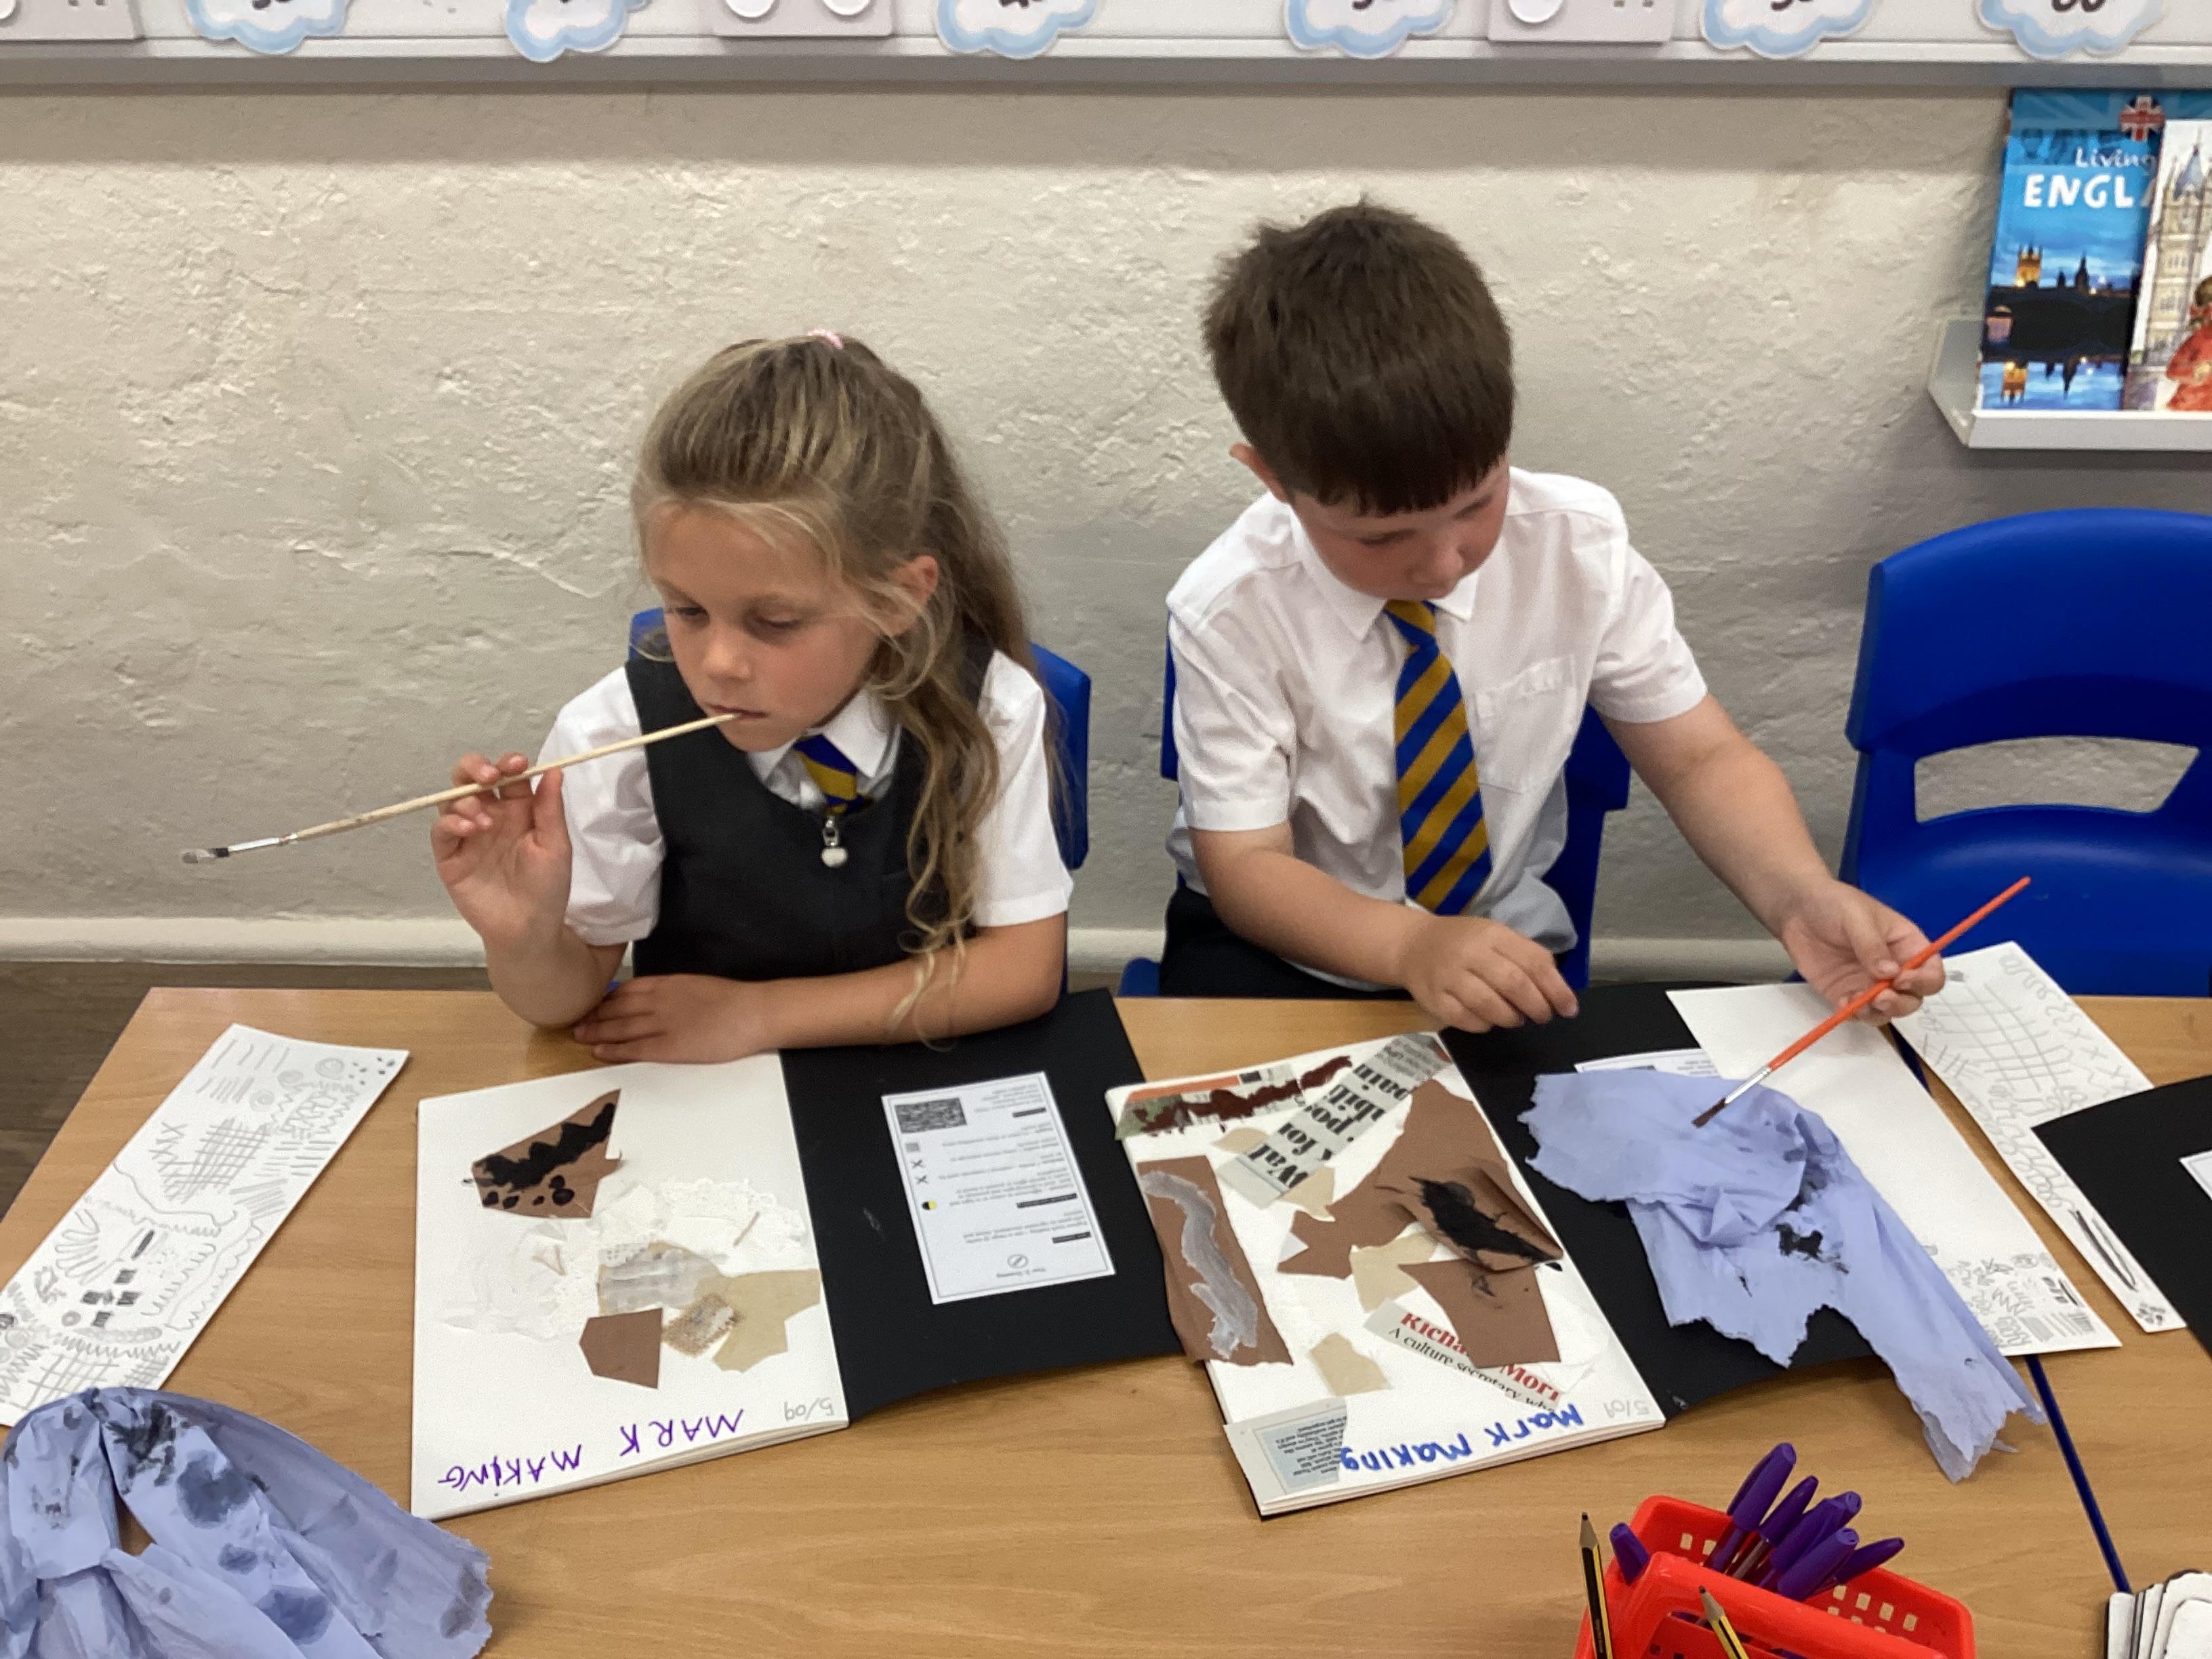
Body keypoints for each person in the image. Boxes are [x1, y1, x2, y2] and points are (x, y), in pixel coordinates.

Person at [1160, 201, 1942, 1030]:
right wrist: (1409, 946)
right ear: (1271, 478)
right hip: (1277, 949)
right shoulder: (1232, 607)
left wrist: (1800, 895)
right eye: (1381, 537)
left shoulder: (1576, 547)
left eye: (1476, 504)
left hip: (1495, 940)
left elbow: (1700, 760)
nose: (1444, 563)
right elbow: (1247, 866)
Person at [432, 333, 1070, 1061]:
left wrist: (762, 1015)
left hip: (921, 1079)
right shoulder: (612, 735)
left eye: (775, 622)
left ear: (898, 599)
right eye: (687, 610)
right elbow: (565, 1005)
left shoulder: (988, 709)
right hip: (705, 1102)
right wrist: (524, 937)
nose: (719, 665)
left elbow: (1023, 971)